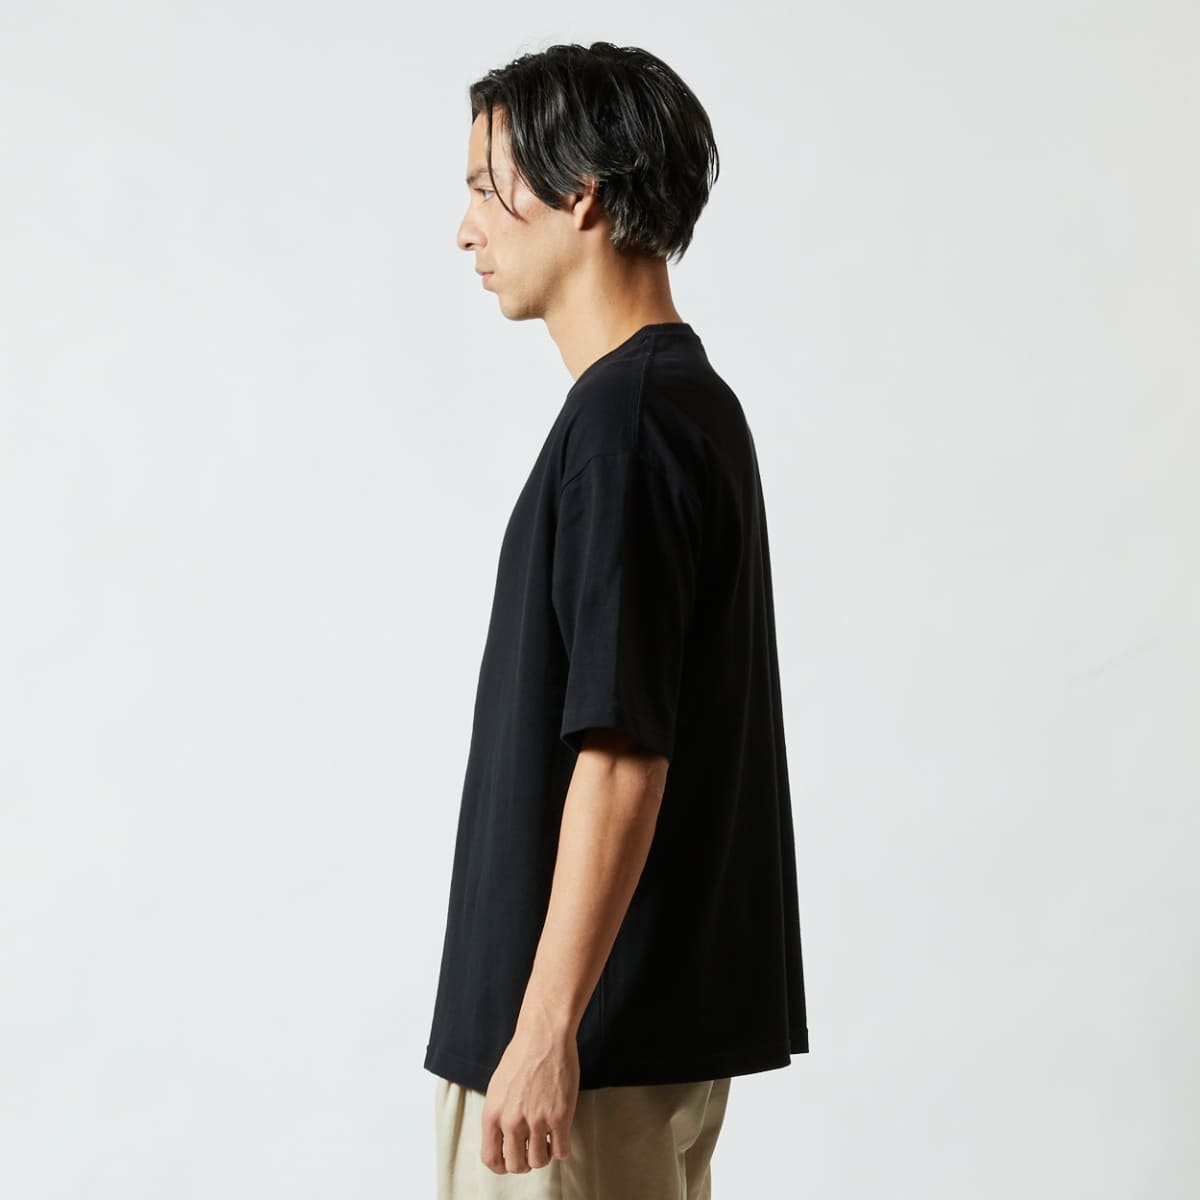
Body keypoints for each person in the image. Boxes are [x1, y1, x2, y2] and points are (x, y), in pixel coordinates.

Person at [425, 40, 809, 1199]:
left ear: (580, 191)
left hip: (575, 1061)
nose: (465, 230)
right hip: (623, 1043)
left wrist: (544, 1028)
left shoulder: (626, 425)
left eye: (486, 187)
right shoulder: (680, 406)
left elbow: (625, 751)